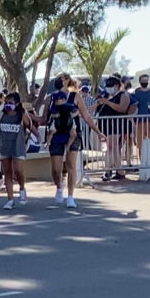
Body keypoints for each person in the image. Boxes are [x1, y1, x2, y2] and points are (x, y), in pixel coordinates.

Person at [43, 75, 83, 207]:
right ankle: (59, 187)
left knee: (71, 166)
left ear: (68, 81)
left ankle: (70, 196)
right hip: (56, 133)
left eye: (63, 78)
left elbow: (84, 115)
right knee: (56, 169)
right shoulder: (50, 98)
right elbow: (44, 118)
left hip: (71, 130)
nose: (61, 81)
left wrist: (98, 132)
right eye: (59, 78)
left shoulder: (74, 96)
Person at [0, 92, 31, 208]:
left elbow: (30, 126)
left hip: (17, 146)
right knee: (7, 173)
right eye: (6, 102)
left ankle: (22, 188)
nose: (8, 105)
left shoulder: (22, 115)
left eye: (10, 103)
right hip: (5, 146)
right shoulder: (1, 114)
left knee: (18, 171)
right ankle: (10, 199)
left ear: (17, 103)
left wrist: (37, 136)